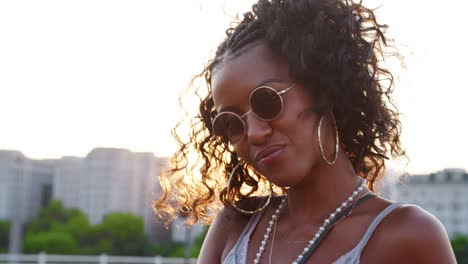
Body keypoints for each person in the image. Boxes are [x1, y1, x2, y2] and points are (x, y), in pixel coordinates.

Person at [154, 0, 456, 263]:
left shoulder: (407, 235)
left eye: (267, 102)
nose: (254, 134)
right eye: (232, 123)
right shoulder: (235, 224)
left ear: (322, 90)